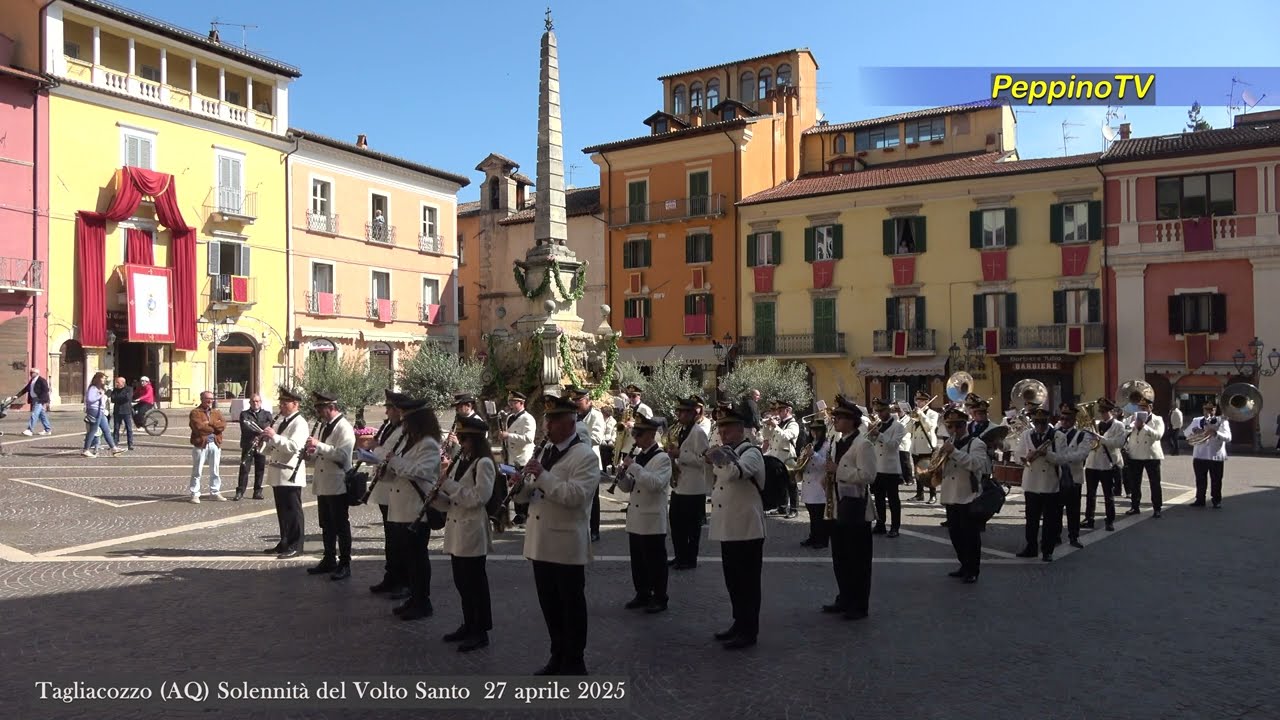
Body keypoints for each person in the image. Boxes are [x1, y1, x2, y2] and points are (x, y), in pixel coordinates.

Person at [512, 394, 599, 676]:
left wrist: (543, 475)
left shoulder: (584, 456)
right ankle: (557, 654)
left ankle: (575, 660)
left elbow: (576, 496)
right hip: (541, 542)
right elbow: (532, 490)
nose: (547, 425)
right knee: (549, 605)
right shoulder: (545, 450)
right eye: (546, 419)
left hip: (566, 543)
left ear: (570, 423)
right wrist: (519, 486)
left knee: (571, 606)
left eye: (553, 420)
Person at [433, 415, 495, 652]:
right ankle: (468, 623)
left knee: (475, 583)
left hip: (472, 529)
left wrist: (447, 484)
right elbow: (453, 500)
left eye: (464, 438)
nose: (460, 442)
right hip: (456, 527)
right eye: (459, 437)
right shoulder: (462, 461)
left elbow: (479, 498)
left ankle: (481, 631)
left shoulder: (484, 464)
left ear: (475, 439)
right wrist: (436, 498)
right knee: (461, 582)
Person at [706, 407, 767, 649]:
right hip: (729, 526)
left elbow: (735, 473)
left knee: (748, 582)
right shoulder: (727, 451)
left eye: (728, 428)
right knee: (733, 580)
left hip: (747, 527)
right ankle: (738, 622)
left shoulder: (751, 452)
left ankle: (749, 630)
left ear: (741, 430)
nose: (723, 432)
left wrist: (718, 457)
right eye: (721, 428)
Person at [384, 396, 442, 621]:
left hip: (416, 509)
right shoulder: (408, 440)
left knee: (418, 558)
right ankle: (413, 598)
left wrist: (394, 462)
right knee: (407, 557)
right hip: (400, 507)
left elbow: (420, 471)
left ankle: (422, 601)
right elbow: (398, 471)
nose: (404, 424)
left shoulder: (428, 443)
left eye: (408, 420)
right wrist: (385, 469)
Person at [823, 399, 876, 615]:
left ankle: (859, 604)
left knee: (858, 561)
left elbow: (868, 476)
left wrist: (838, 471)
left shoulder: (863, 444)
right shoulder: (836, 442)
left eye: (839, 418)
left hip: (856, 508)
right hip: (837, 506)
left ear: (851, 421)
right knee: (841, 558)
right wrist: (827, 479)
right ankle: (844, 598)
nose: (834, 420)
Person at [616, 415, 672, 614]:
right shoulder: (638, 457)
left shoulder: (662, 458)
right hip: (636, 517)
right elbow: (630, 487)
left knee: (655, 561)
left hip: (652, 518)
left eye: (638, 435)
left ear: (650, 435)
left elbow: (655, 484)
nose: (635, 439)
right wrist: (621, 477)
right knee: (638, 561)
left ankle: (660, 597)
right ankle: (642, 593)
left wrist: (633, 467)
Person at [936, 407, 990, 583]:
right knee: (955, 535)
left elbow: (977, 465)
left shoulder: (976, 443)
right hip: (950, 494)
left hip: (967, 495)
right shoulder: (947, 444)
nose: (954, 430)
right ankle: (963, 564)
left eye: (958, 426)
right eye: (950, 426)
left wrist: (954, 452)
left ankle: (973, 569)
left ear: (964, 425)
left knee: (970, 536)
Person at [306, 391, 355, 581]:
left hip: (337, 483)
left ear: (332, 407)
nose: (319, 412)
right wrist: (310, 455)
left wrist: (319, 445)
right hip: (324, 483)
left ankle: (345, 563)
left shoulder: (344, 428)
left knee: (341, 525)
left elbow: (343, 456)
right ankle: (329, 558)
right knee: (326, 524)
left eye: (321, 408)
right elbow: (322, 454)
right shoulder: (326, 426)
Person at [258, 387, 311, 557]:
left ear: (295, 404)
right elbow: (277, 446)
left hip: (290, 473)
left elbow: (293, 447)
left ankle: (296, 545)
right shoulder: (284, 421)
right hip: (278, 472)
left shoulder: (300, 423)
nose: (281, 405)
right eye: (280, 402)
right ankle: (285, 541)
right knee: (282, 511)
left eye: (285, 402)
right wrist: (263, 443)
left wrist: (274, 436)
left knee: (293, 511)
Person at [368, 391, 408, 597]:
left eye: (390, 408)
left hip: (395, 487)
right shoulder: (388, 427)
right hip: (385, 487)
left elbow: (393, 455)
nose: (387, 412)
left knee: (398, 538)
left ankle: (403, 580)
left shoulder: (404, 431)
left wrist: (376, 450)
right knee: (390, 537)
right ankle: (391, 576)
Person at [669, 396, 710, 568]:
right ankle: (679, 555)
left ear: (693, 414)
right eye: (679, 411)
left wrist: (681, 455)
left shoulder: (699, 433)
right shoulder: (681, 430)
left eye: (684, 412)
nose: (680, 415)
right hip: (680, 485)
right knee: (676, 524)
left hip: (693, 488)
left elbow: (703, 460)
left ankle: (689, 559)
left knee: (691, 528)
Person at [1017, 407, 1061, 561]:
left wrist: (1047, 454)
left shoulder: (1057, 435)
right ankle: (1031, 547)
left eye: (1042, 423)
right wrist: (1025, 456)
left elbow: (1063, 458)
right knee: (1031, 518)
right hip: (1031, 482)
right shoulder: (1026, 434)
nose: (1040, 426)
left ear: (1048, 421)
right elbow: (1018, 456)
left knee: (1050, 519)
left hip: (1050, 482)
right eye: (1037, 422)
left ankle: (1047, 550)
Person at [1046, 406, 1092, 549]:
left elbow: (1082, 454)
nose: (1064, 421)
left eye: (1068, 419)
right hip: (1056, 477)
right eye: (1062, 419)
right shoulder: (1054, 434)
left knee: (1073, 510)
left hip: (1074, 478)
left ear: (1074, 420)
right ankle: (1056, 536)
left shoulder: (1083, 435)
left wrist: (1062, 458)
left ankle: (1074, 537)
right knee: (1055, 510)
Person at [569, 386, 607, 541]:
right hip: (575, 461)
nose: (576, 403)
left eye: (579, 400)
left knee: (593, 498)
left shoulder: (596, 416)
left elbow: (597, 438)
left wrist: (577, 437)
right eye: (575, 400)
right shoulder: (574, 416)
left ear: (587, 400)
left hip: (591, 461)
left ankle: (594, 530)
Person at [1083, 398, 1125, 532]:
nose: (1103, 414)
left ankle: (1110, 521)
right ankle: (1089, 519)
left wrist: (1101, 439)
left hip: (1107, 464)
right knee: (1090, 494)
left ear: (1111, 411)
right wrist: (1089, 439)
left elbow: (1118, 443)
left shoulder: (1119, 425)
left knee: (1108, 495)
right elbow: (1085, 442)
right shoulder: (1094, 423)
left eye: (1105, 411)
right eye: (1101, 411)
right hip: (1092, 463)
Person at [866, 399, 905, 537]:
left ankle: (895, 527)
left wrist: (878, 434)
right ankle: (880, 524)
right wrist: (870, 436)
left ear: (889, 410)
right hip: (877, 467)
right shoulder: (877, 424)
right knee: (879, 498)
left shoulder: (898, 427)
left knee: (893, 499)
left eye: (882, 411)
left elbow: (893, 445)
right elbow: (870, 444)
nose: (879, 414)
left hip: (890, 468)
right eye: (877, 411)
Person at [1123, 398, 1165, 518]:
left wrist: (1144, 426)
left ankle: (1157, 508)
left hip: (1151, 455)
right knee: (1134, 483)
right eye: (1140, 407)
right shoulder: (1132, 418)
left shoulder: (1158, 419)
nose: (1142, 409)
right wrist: (1132, 425)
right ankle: (1135, 506)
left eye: (1145, 407)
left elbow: (1158, 436)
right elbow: (1124, 431)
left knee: (1155, 483)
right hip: (1135, 454)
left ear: (1151, 407)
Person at [501, 391, 537, 526]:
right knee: (514, 487)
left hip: (523, 458)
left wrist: (508, 436)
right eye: (510, 402)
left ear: (522, 403)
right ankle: (519, 514)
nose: (511, 405)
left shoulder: (528, 419)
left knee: (524, 487)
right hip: (511, 458)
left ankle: (526, 514)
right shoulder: (510, 417)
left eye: (514, 402)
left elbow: (529, 439)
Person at [1187, 401, 1231, 509]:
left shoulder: (1222, 421)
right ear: (1203, 409)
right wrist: (1194, 432)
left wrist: (1215, 433)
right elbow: (1186, 434)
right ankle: (1200, 499)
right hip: (1200, 455)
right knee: (1200, 479)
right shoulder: (1196, 420)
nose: (1208, 411)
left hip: (1216, 455)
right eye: (1206, 409)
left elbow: (1228, 437)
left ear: (1215, 410)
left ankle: (1216, 500)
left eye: (1211, 409)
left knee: (1216, 479)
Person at [186, 391, 226, 502]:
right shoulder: (195, 412)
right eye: (207, 399)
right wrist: (214, 426)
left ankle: (215, 492)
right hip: (201, 444)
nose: (210, 401)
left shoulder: (216, 412)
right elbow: (199, 427)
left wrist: (209, 423)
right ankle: (194, 493)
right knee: (197, 471)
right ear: (202, 399)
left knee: (215, 470)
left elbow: (223, 425)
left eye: (212, 399)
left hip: (215, 443)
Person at [763, 399, 800, 517]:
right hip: (776, 457)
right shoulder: (779, 424)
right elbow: (767, 437)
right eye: (777, 410)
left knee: (791, 483)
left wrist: (776, 426)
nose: (777, 412)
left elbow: (786, 436)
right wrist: (767, 426)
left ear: (788, 410)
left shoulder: (793, 424)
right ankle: (782, 507)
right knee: (780, 483)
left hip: (788, 457)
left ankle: (794, 509)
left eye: (780, 410)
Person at [800, 421, 833, 549]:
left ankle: (822, 540)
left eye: (818, 430)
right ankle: (813, 536)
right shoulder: (810, 444)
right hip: (808, 482)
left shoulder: (827, 445)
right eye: (813, 430)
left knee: (819, 515)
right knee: (812, 514)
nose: (815, 432)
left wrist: (813, 454)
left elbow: (826, 464)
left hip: (819, 483)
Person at [234, 394, 272, 501]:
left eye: (257, 401)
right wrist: (261, 428)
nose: (255, 403)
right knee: (244, 468)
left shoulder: (267, 414)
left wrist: (258, 427)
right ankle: (240, 491)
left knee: (260, 469)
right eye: (253, 401)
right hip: (248, 444)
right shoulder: (244, 414)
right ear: (250, 403)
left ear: (261, 402)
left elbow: (268, 426)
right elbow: (246, 428)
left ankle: (257, 491)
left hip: (261, 445)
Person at [905, 391, 939, 502]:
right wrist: (911, 418)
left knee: (929, 472)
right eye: (917, 401)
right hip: (916, 448)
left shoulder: (933, 414)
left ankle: (932, 495)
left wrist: (922, 415)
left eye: (921, 401)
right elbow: (908, 430)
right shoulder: (915, 413)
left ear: (926, 402)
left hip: (927, 447)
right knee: (918, 473)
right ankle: (919, 494)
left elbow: (930, 427)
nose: (918, 403)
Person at [82, 372, 124, 458]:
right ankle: (86, 450)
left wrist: (104, 394)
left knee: (106, 430)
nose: (104, 380)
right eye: (103, 378)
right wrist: (100, 395)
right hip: (94, 411)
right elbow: (90, 399)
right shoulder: (93, 388)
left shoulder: (99, 388)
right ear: (98, 379)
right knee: (93, 431)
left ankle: (113, 448)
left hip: (100, 411)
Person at [13, 368, 52, 436]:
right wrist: (17, 396)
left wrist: (41, 400)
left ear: (36, 373)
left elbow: (46, 390)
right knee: (42, 415)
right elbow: (26, 389)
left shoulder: (41, 380)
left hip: (39, 400)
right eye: (30, 372)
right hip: (34, 399)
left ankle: (29, 430)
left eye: (32, 372)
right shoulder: (32, 380)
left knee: (34, 414)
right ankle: (47, 429)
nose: (31, 374)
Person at [110, 377, 135, 451]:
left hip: (126, 411)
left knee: (129, 428)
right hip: (117, 411)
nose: (116, 384)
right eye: (116, 382)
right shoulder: (115, 390)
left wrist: (118, 398)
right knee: (116, 428)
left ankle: (130, 444)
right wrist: (120, 398)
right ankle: (115, 443)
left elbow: (127, 398)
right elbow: (112, 399)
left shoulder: (129, 389)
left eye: (118, 382)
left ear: (123, 383)